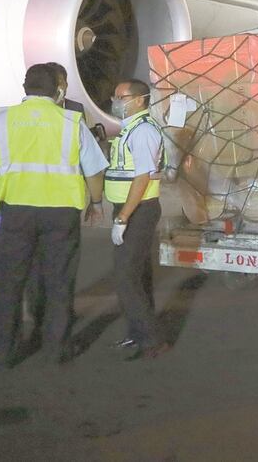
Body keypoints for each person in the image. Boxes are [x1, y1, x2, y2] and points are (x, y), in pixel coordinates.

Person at [0, 64, 108, 367]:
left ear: (25, 87)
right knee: (59, 283)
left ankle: (2, 353)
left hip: (13, 214)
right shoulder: (71, 122)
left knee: (9, 284)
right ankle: (57, 349)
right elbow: (94, 169)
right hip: (61, 215)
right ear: (57, 88)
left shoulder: (1, 121)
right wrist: (96, 203)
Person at [105, 78, 169, 360]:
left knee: (125, 277)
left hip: (138, 209)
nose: (116, 102)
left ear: (140, 99)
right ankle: (138, 334)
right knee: (138, 275)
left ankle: (151, 340)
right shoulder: (130, 129)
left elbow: (142, 177)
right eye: (115, 97)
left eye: (122, 97)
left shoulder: (142, 132)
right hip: (132, 208)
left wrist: (122, 218)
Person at [24, 62, 87, 343]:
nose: (62, 87)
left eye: (65, 82)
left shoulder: (75, 111)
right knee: (37, 268)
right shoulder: (25, 113)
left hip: (62, 200)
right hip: (29, 198)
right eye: (59, 81)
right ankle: (41, 318)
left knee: (61, 269)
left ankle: (61, 318)